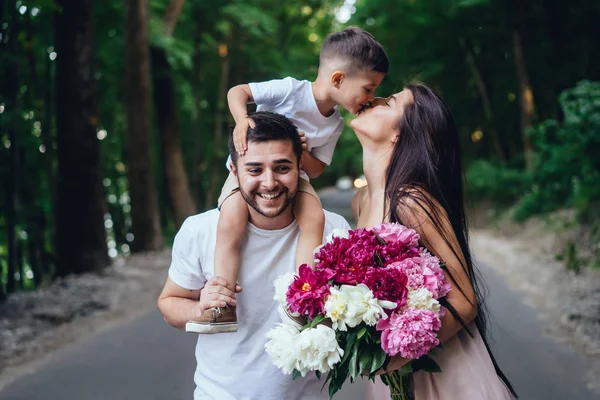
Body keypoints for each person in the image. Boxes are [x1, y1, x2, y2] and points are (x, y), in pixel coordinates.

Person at [197, 27, 389, 334]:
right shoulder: (290, 90)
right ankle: (222, 302)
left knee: (313, 216)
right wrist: (241, 120)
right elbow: (238, 92)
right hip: (252, 175)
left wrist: (302, 150)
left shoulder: (336, 123)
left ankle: (302, 298)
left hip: (294, 178)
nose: (370, 98)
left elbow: (315, 170)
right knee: (231, 218)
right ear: (338, 79)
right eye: (368, 88)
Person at [157, 112, 351, 400]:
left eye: (282, 168)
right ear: (234, 171)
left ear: (300, 166)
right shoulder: (200, 230)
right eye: (255, 170)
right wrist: (202, 307)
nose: (270, 183)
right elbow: (169, 303)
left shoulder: (335, 230)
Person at [349, 84, 517, 399]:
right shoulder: (362, 200)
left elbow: (465, 302)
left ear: (399, 134)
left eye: (390, 102)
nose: (374, 100)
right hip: (390, 376)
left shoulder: (412, 201)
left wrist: (398, 355)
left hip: (441, 375)